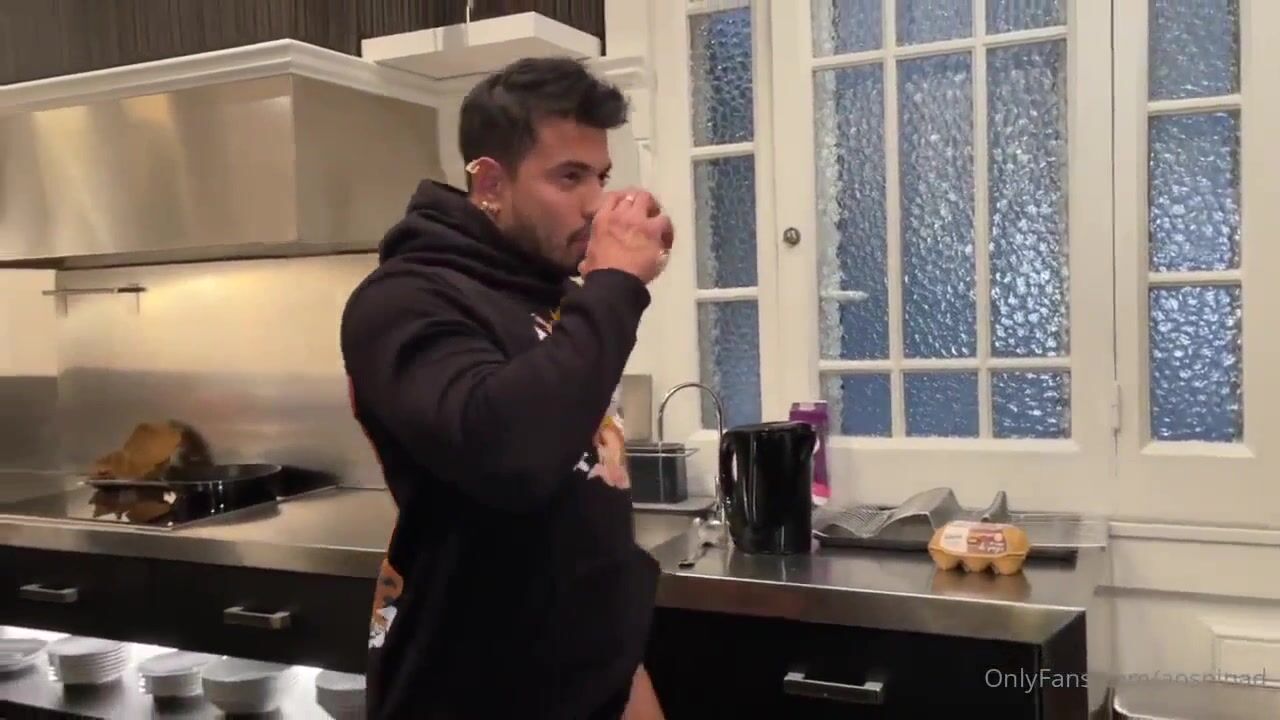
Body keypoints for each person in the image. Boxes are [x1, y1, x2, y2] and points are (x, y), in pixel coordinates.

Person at [340, 56, 672, 720]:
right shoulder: (403, 298)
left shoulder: (556, 295)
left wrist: (624, 668)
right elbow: (506, 449)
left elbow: (584, 495)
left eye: (601, 177)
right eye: (569, 177)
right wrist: (614, 286)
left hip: (597, 681)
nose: (594, 204)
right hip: (472, 693)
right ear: (490, 182)